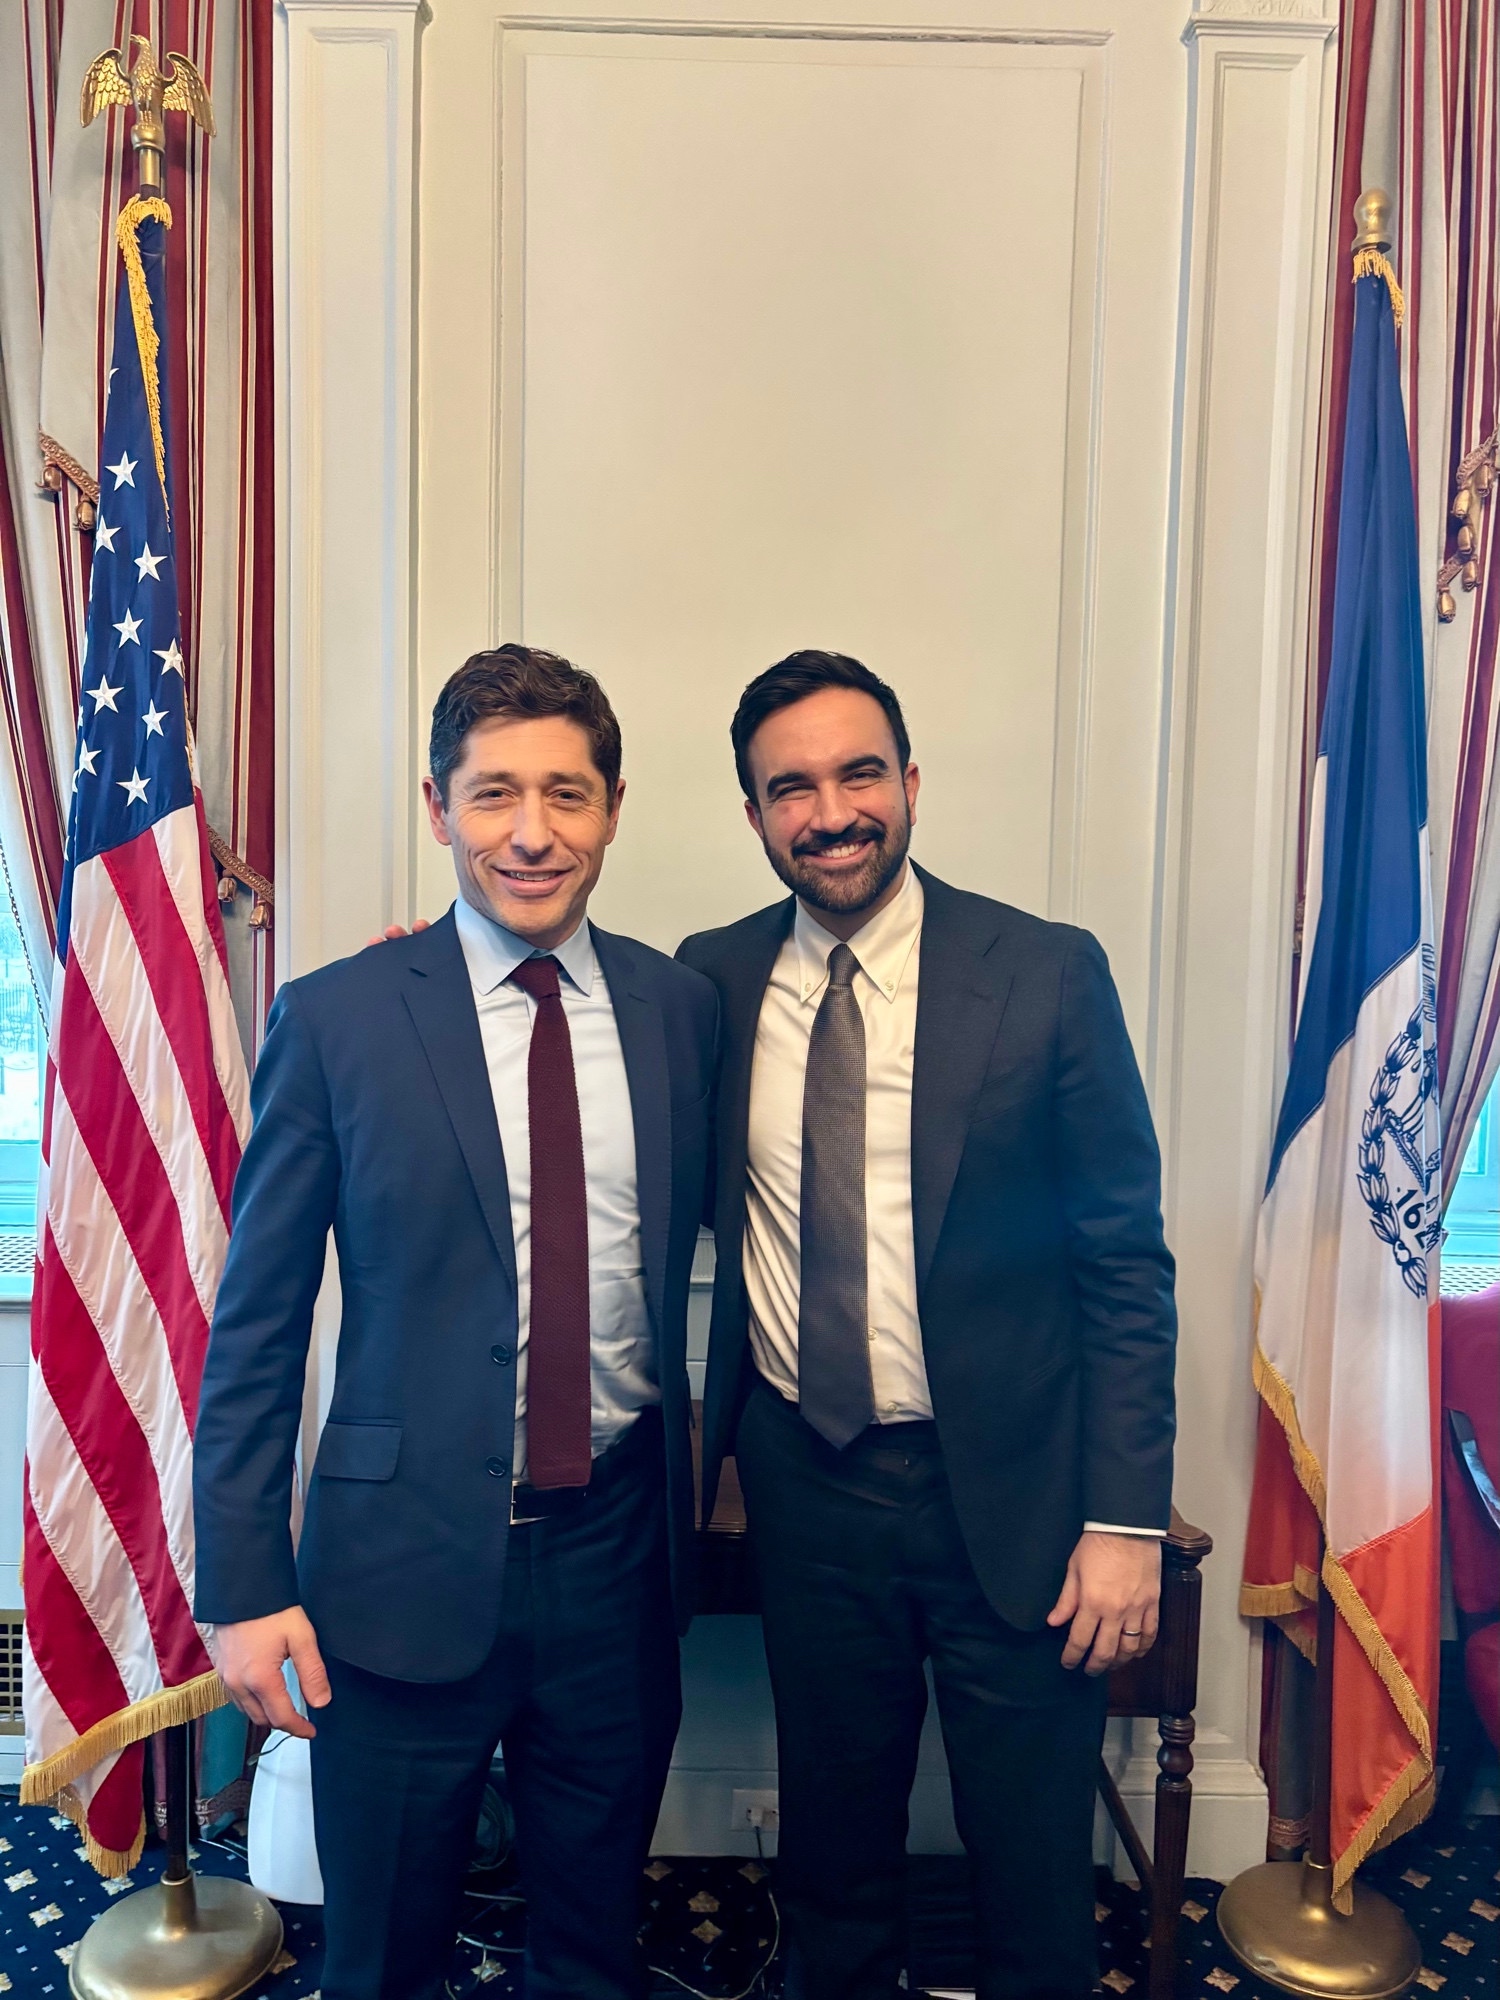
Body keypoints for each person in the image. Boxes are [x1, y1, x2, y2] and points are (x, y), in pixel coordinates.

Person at [193, 646, 718, 2000]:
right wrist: (244, 1584)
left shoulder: (680, 1013)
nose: (531, 833)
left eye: (566, 794)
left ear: (613, 809)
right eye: (493, 794)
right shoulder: (340, 1019)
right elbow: (255, 1325)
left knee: (596, 1943)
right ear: (438, 809)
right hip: (396, 1568)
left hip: (616, 1556)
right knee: (382, 1957)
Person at [676, 650, 1177, 2000]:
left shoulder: (1047, 972)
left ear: (909, 782)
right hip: (806, 1482)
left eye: (859, 775)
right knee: (833, 1853)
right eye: (792, 788)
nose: (831, 812)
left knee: (1030, 1861)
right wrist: (436, 976)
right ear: (754, 814)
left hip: (1013, 1496)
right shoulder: (710, 981)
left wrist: (1126, 1521)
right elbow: (596, 1106)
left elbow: (1124, 1266)